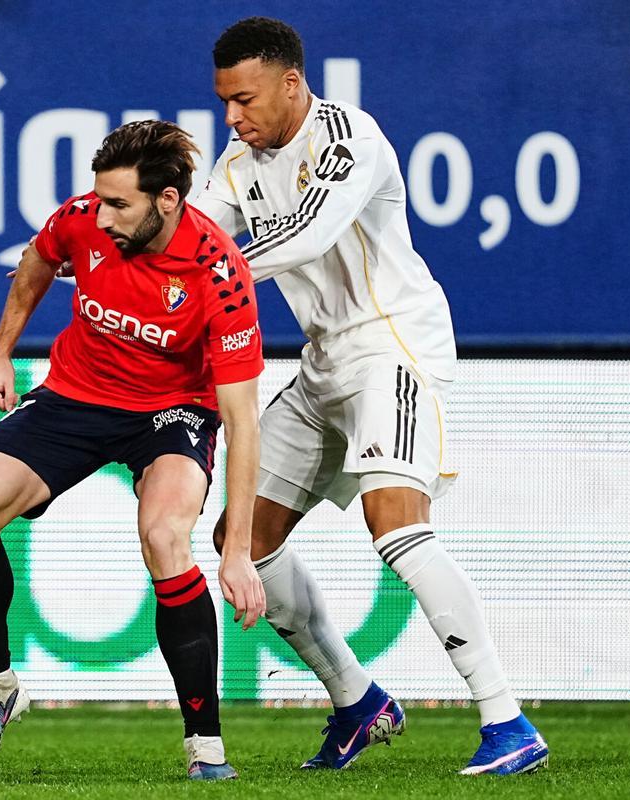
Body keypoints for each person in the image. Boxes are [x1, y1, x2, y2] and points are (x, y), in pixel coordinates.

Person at [196, 17, 549, 776]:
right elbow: (188, 236)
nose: (234, 116)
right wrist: (88, 253)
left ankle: (507, 720)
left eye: (245, 99)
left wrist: (203, 273)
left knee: (394, 525)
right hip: (324, 362)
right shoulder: (236, 165)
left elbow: (306, 237)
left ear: (291, 83)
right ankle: (357, 701)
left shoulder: (348, 137)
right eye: (225, 101)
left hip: (394, 346)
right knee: (243, 537)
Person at [0, 120, 266, 780]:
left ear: (168, 201)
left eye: (120, 203)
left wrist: (237, 551)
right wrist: (1, 351)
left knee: (165, 537)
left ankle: (205, 746)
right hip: (76, 395)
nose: (102, 213)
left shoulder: (220, 275)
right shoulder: (84, 218)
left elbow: (242, 419)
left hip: (173, 414)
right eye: (99, 198)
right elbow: (38, 258)